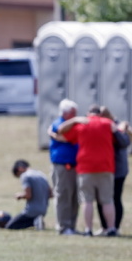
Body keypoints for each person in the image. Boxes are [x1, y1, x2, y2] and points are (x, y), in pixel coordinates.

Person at [56, 105, 118, 236]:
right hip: (106, 166)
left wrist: (74, 121)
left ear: (88, 113)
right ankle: (111, 228)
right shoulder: (107, 123)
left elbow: (61, 134)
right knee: (107, 200)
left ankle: (88, 229)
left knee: (87, 200)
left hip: (86, 168)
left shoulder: (82, 124)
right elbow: (119, 136)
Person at [47, 99, 79, 235]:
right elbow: (65, 137)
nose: (76, 115)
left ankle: (71, 225)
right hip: (63, 166)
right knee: (64, 196)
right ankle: (63, 226)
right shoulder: (59, 124)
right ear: (66, 113)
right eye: (73, 112)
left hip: (74, 166)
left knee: (74, 197)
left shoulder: (72, 124)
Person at [97, 107, 130, 234]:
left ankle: (115, 227)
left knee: (115, 198)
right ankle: (104, 227)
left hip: (118, 170)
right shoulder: (101, 126)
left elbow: (124, 142)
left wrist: (115, 131)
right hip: (104, 169)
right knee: (102, 199)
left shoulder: (117, 125)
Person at [3, 159, 52, 230]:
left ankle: (35, 222)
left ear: (20, 169)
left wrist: (20, 195)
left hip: (31, 211)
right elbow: (51, 194)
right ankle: (38, 220)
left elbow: (28, 195)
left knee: (10, 226)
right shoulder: (41, 175)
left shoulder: (25, 176)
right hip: (43, 211)